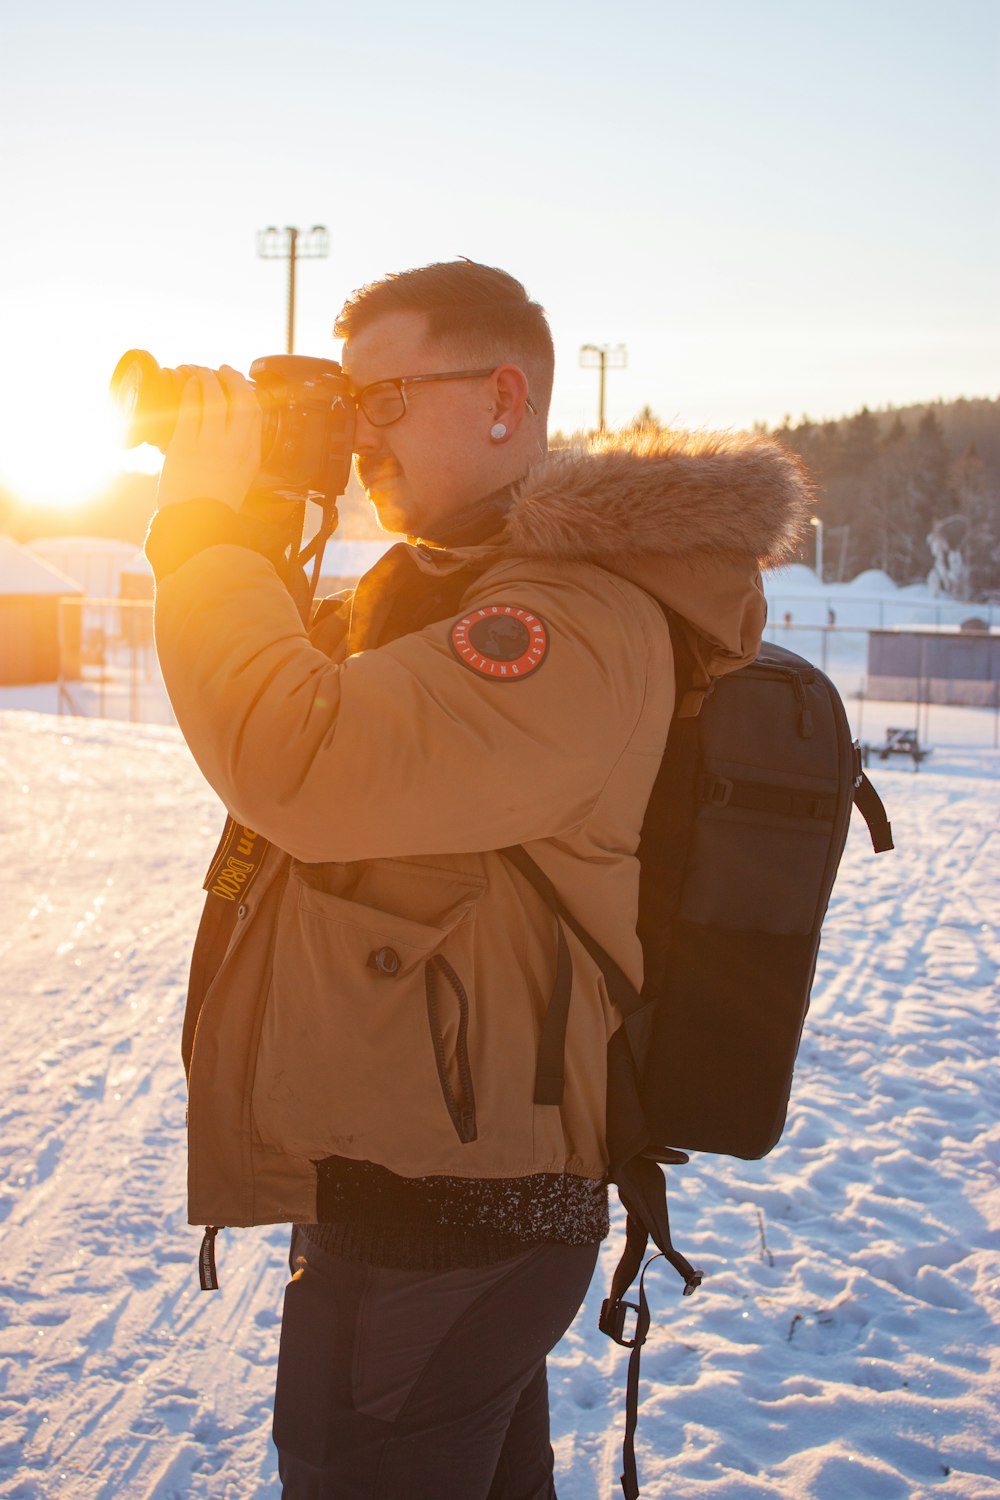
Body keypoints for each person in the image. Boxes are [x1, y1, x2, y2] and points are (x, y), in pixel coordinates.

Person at [144, 260, 809, 1498]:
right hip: (421, 1183)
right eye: (348, 401)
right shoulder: (460, 593)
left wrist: (203, 536)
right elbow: (303, 736)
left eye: (385, 396)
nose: (359, 431)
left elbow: (299, 759)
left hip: (449, 1214)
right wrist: (272, 529)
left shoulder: (568, 618)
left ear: (504, 395)